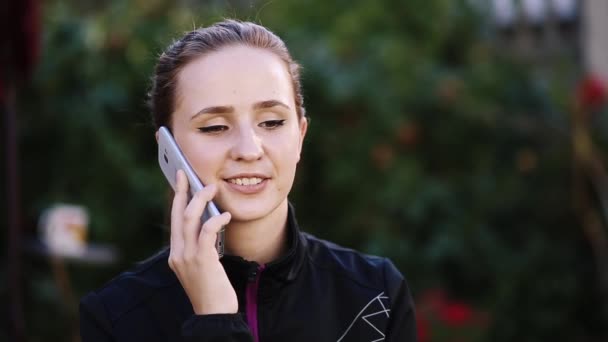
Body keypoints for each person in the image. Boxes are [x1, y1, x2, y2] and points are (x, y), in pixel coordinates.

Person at [79, 19, 417, 342]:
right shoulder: (115, 317)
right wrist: (214, 321)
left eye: (271, 122)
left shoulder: (376, 296)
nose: (248, 149)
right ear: (168, 149)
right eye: (214, 127)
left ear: (300, 135)